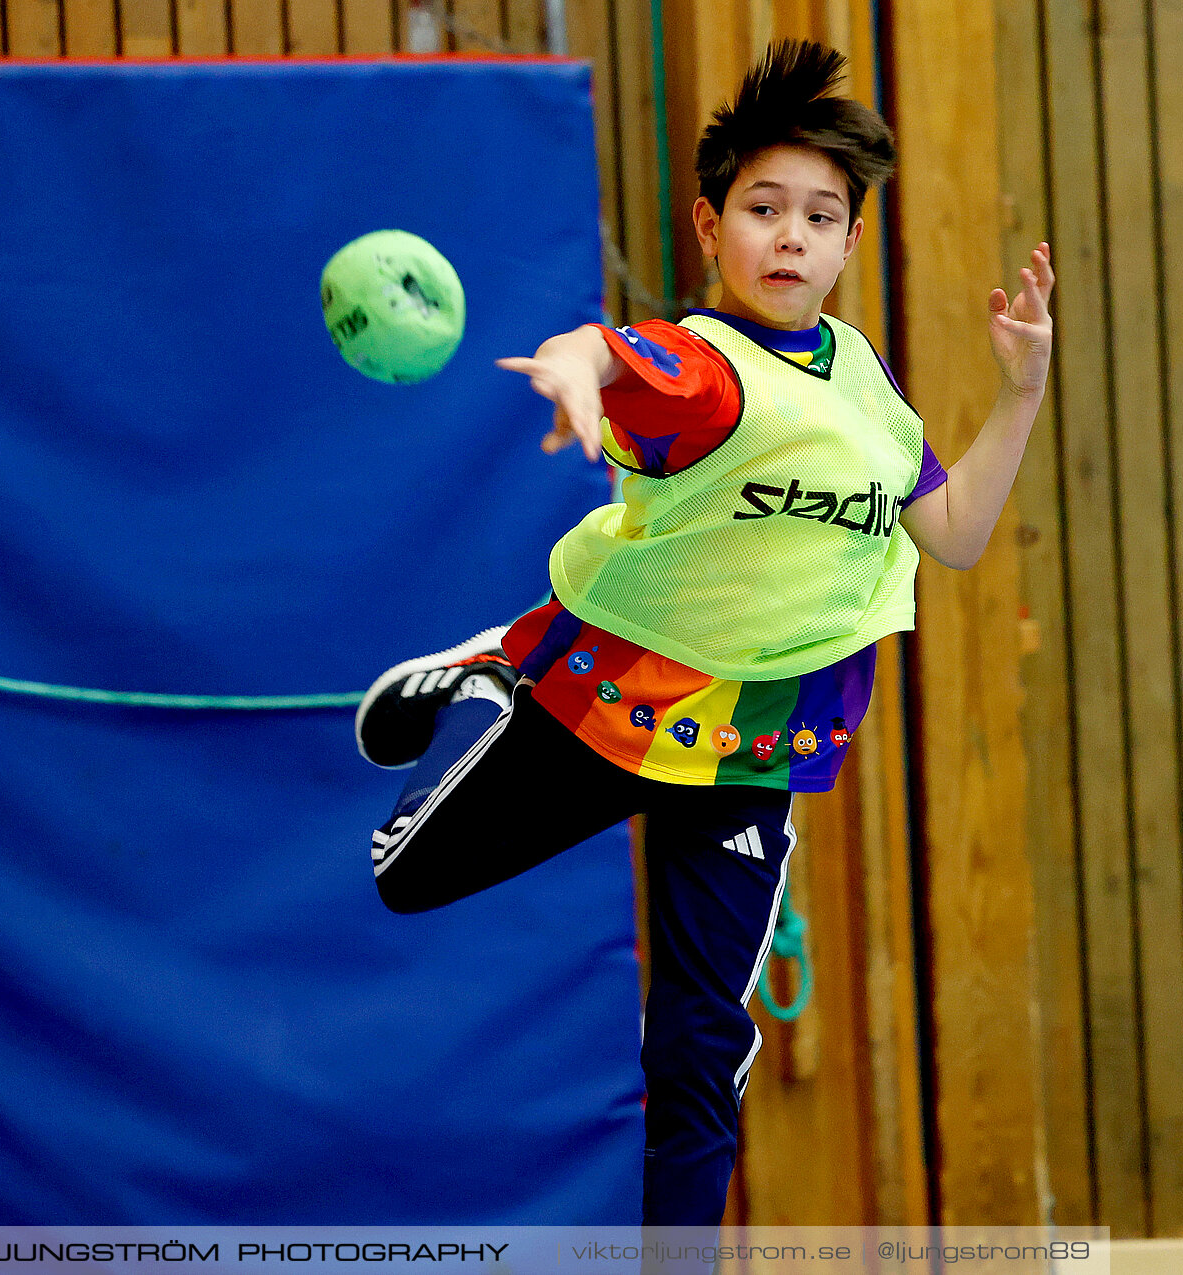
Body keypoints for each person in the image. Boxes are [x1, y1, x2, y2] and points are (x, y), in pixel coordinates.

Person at [355, 38, 1054, 1225]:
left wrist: (1024, 387)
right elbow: (612, 352)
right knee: (405, 878)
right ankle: (491, 673)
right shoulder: (703, 369)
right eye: (764, 208)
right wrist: (578, 368)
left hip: (744, 753)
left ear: (848, 240)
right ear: (709, 225)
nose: (791, 235)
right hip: (609, 712)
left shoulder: (871, 396)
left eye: (820, 215)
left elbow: (959, 535)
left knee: (698, 1046)